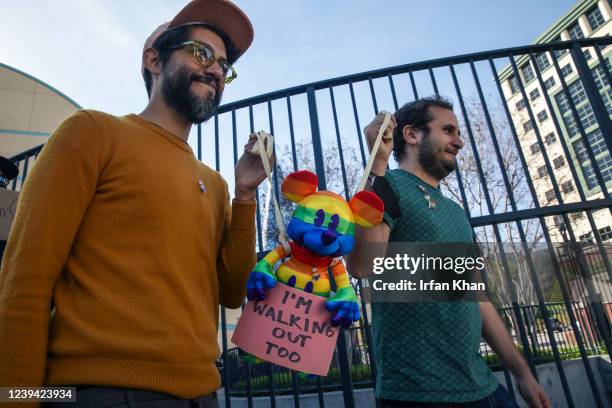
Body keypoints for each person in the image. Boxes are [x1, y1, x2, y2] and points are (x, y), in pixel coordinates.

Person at [0, 1, 268, 406]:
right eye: (202, 53)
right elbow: (25, 282)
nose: (216, 70)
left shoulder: (214, 185)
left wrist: (244, 194)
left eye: (224, 65)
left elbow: (232, 294)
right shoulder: (92, 133)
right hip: (99, 393)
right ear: (154, 59)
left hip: (204, 394)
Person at [347, 96, 551, 408]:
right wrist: (378, 163)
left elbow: (476, 298)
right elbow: (363, 266)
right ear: (413, 135)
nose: (459, 141)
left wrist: (523, 373)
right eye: (448, 130)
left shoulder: (456, 212)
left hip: (484, 388)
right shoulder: (388, 185)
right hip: (418, 395)